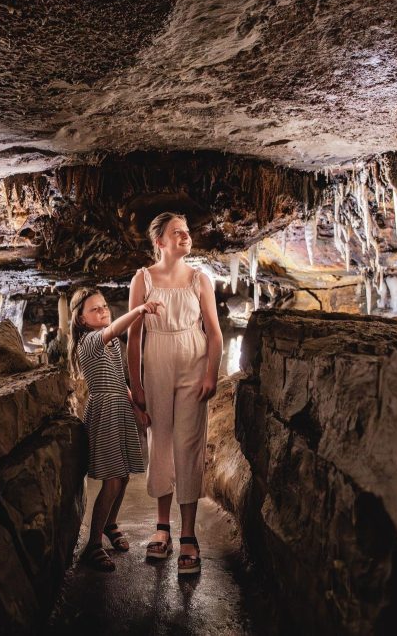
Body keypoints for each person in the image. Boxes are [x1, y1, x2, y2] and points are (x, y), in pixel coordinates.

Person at [127, 212, 223, 576]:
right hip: (157, 361)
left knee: (189, 444)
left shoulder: (200, 280)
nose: (186, 237)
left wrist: (211, 373)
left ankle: (188, 534)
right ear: (160, 242)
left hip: (193, 361)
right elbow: (135, 335)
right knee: (161, 441)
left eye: (187, 231)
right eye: (177, 232)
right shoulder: (143, 279)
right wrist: (135, 384)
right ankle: (162, 527)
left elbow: (214, 332)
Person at [69, 286, 163, 571]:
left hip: (120, 410)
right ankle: (93, 544)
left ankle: (110, 524)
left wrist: (136, 408)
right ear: (82, 320)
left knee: (122, 478)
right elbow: (112, 330)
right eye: (94, 309)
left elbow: (122, 382)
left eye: (104, 306)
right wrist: (139, 310)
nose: (103, 311)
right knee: (111, 479)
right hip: (104, 412)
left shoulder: (112, 346)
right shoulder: (90, 341)